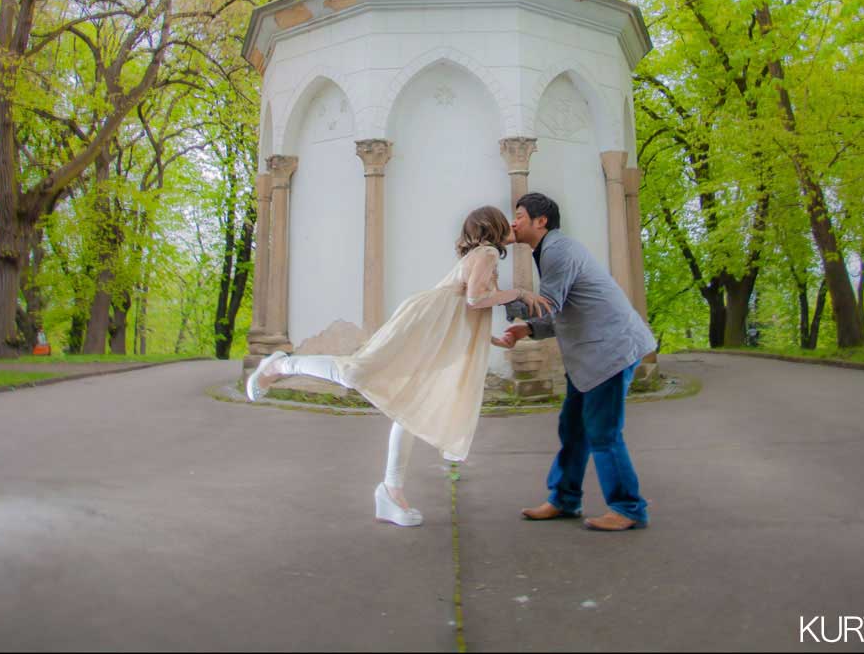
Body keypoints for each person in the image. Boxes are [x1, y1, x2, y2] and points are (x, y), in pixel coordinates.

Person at [245, 205, 553, 527]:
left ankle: (391, 493)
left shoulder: (481, 256)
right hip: (423, 328)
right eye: (508, 219)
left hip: (432, 330)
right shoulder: (488, 253)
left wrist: (493, 340)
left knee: (409, 405)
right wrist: (519, 293)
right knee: (356, 373)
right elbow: (474, 301)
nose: (512, 223)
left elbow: (467, 310)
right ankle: (282, 365)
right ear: (493, 226)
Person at [492, 191, 656, 531]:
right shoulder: (550, 251)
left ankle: (628, 508)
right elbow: (557, 310)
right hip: (590, 358)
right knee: (573, 428)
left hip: (609, 352)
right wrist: (526, 329)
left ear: (542, 221)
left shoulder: (558, 250)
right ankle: (564, 499)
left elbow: (547, 304)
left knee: (603, 432)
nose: (514, 221)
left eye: (519, 215)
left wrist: (494, 295)